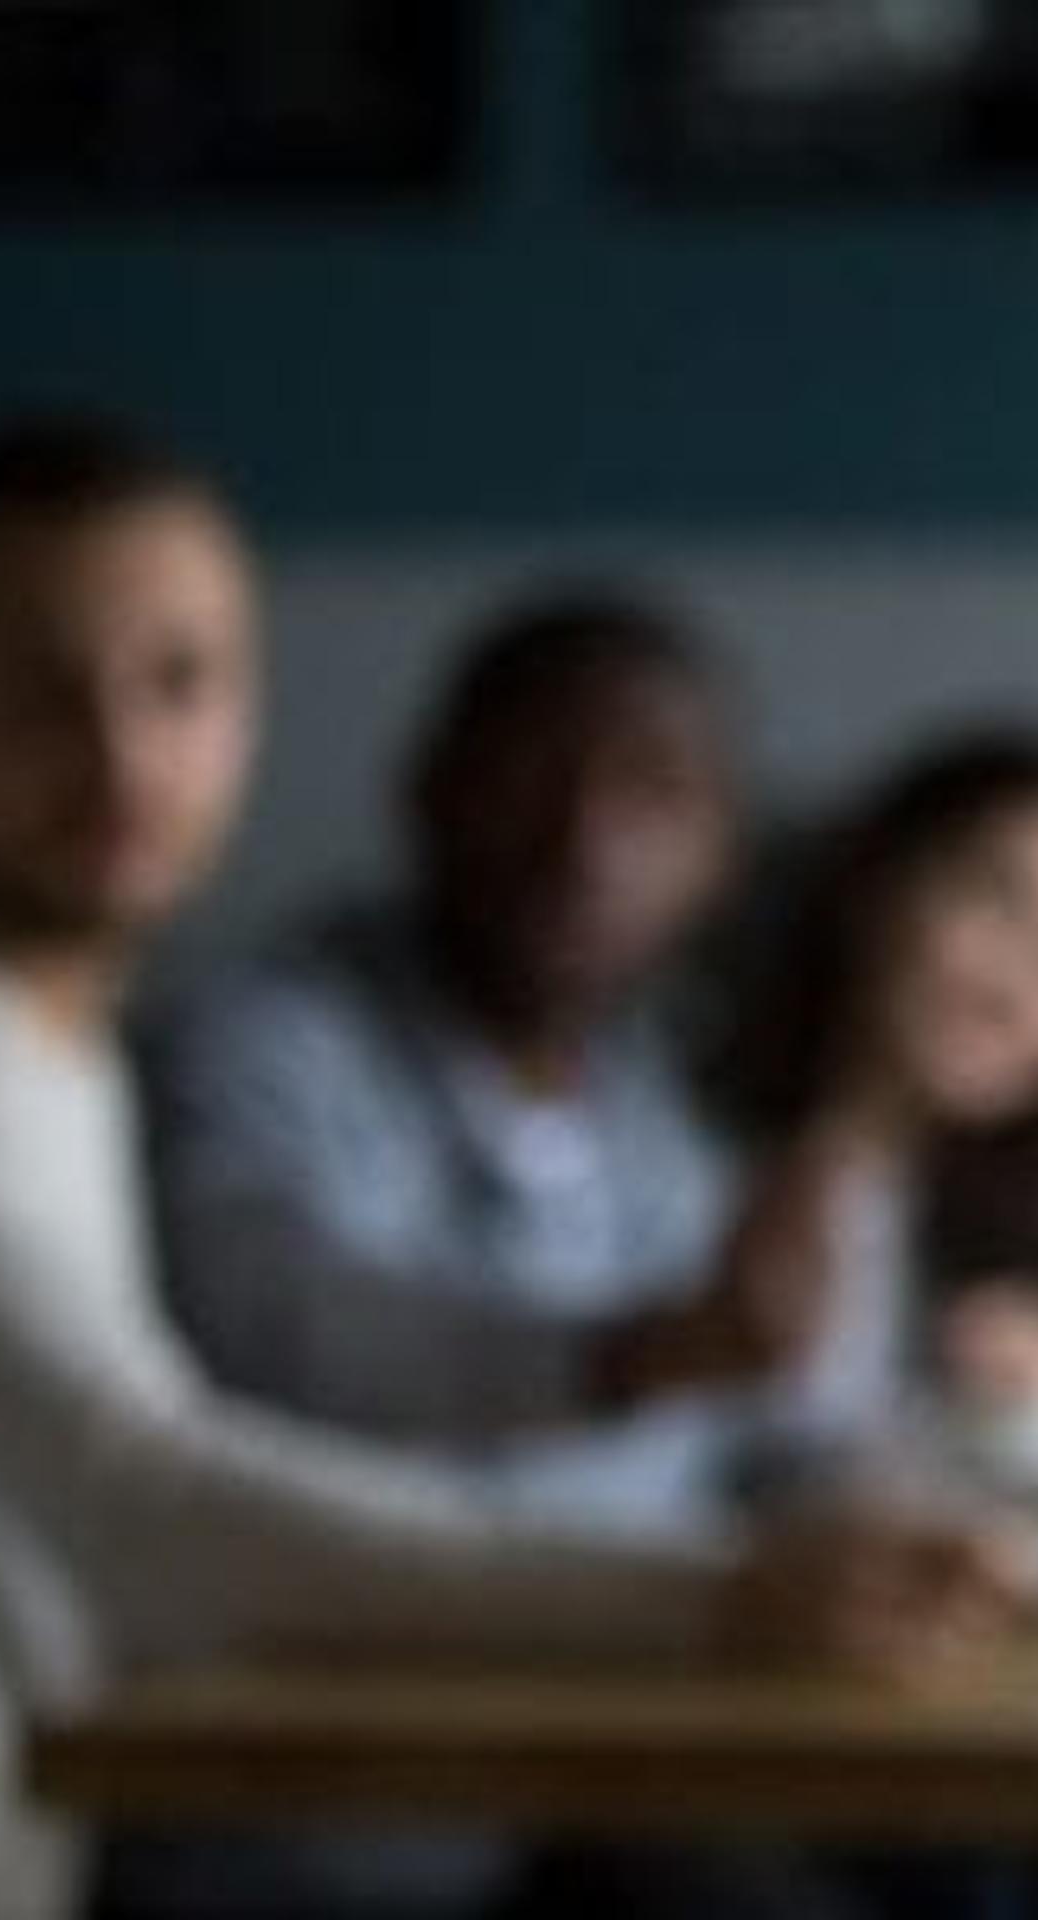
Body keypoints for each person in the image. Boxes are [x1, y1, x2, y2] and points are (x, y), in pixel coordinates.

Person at [0, 413, 1020, 1920]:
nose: (119, 754)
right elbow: (146, 1484)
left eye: (180, 683)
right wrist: (714, 1596)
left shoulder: (51, 1040)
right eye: (41, 688)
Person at [146, 590, 837, 1546]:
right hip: (329, 1670)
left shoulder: (672, 1114)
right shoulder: (262, 1042)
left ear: (723, 854)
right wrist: (635, 1356)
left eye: (654, 790)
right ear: (428, 786)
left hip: (648, 1675)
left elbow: (774, 1449)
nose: (584, 844)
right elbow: (271, 1325)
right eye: (533, 769)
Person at [713, 728, 1038, 1486]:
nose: (1023, 993)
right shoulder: (677, 1169)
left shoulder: (1037, 1248)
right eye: (1002, 905)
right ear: (877, 883)